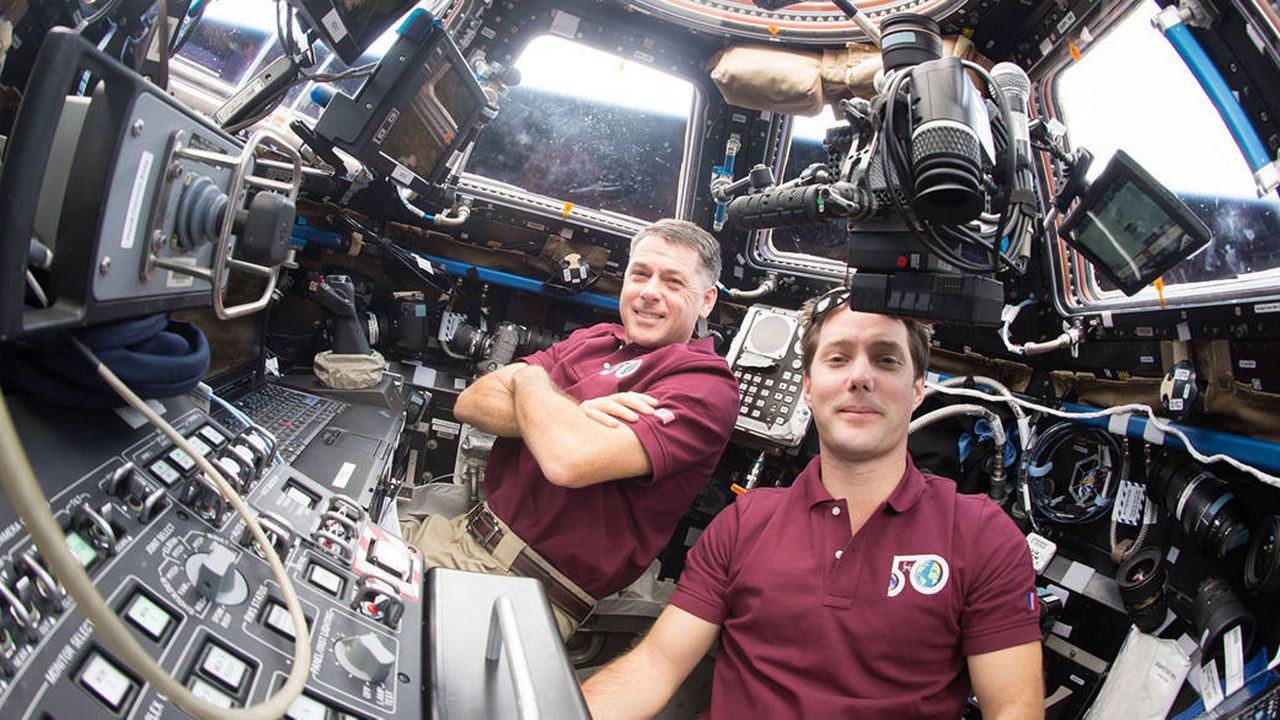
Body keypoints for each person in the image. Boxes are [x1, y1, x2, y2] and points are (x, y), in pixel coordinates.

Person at [582, 288, 1044, 718]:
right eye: (838, 359)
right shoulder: (744, 523)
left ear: (918, 388)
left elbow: (1014, 710)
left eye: (885, 360)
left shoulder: (981, 534)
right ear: (807, 386)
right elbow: (656, 665)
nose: (860, 378)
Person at [400, 219, 739, 639]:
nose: (650, 292)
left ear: (706, 301)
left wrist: (527, 380)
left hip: (519, 589)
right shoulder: (596, 338)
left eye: (673, 282)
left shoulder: (704, 386)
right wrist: (577, 411)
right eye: (640, 274)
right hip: (455, 530)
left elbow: (567, 459)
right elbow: (472, 402)